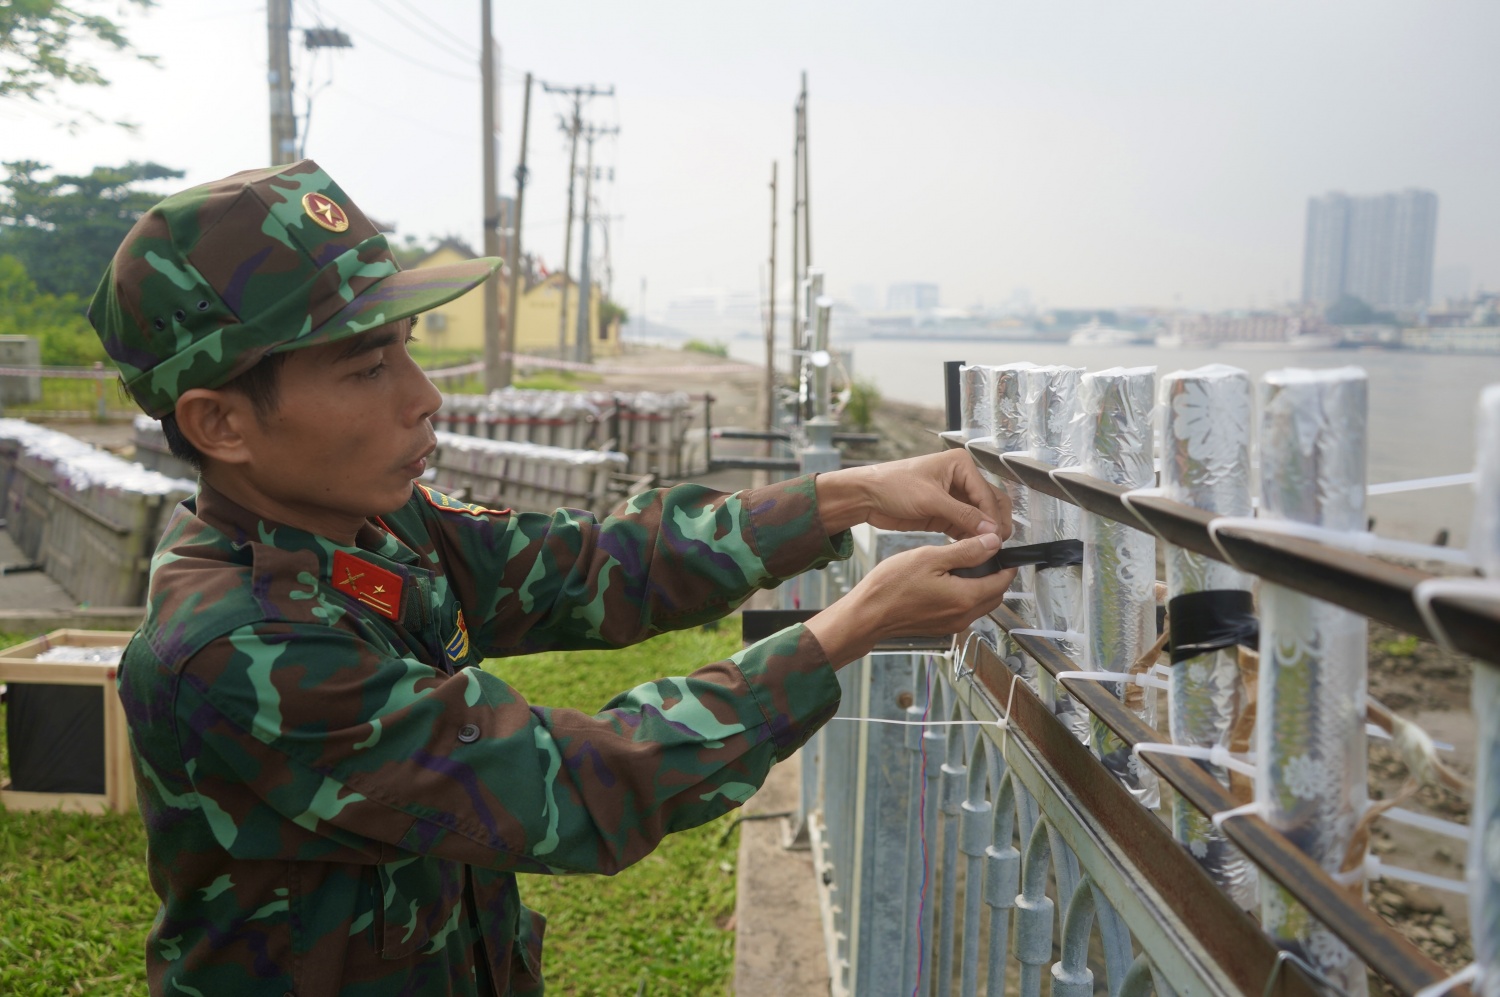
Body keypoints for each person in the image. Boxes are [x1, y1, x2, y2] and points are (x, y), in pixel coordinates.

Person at [88, 160, 1015, 997]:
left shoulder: (372, 526)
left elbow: (593, 565)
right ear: (221, 424)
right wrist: (845, 629)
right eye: (370, 366)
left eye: (410, 347)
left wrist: (845, 495)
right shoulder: (237, 646)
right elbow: (575, 785)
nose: (424, 394)